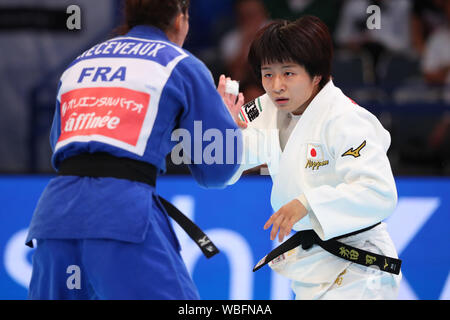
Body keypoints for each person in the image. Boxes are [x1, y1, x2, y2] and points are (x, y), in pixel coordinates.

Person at [25, 0, 244, 300]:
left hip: (54, 217)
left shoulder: (79, 64)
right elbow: (218, 169)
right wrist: (225, 122)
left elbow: (59, 147)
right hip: (121, 216)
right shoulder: (180, 63)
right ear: (180, 19)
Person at [225, 16, 402, 299]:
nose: (276, 85)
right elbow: (231, 160)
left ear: (316, 74)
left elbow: (378, 192)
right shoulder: (267, 108)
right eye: (267, 74)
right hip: (312, 268)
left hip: (360, 266)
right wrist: (224, 129)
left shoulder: (344, 119)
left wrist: (307, 203)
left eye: (288, 73)